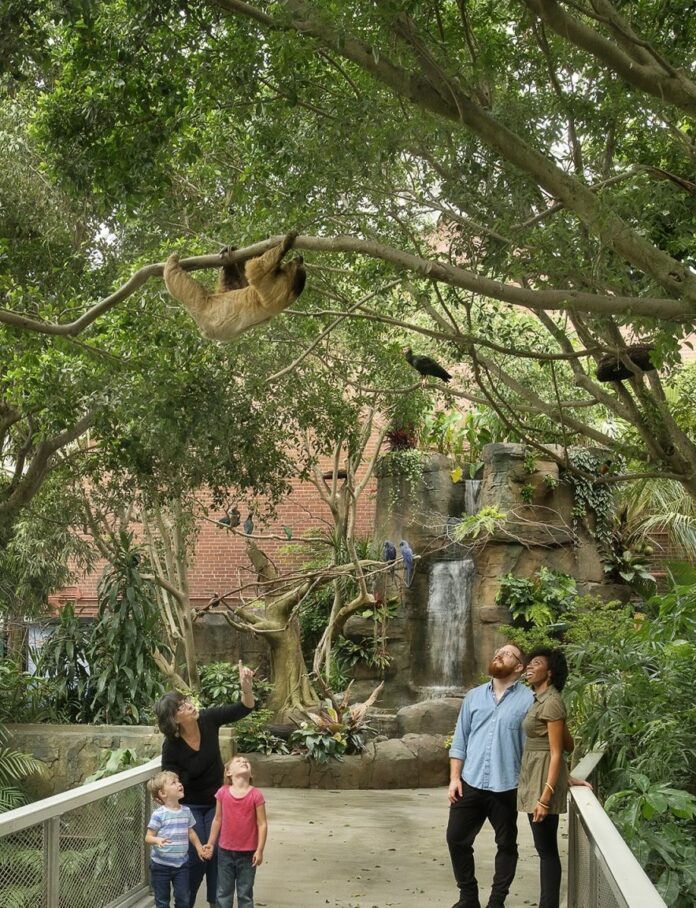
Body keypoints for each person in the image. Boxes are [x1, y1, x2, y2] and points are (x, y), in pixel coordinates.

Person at [155, 661, 255, 908]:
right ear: (174, 719)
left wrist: (246, 687)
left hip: (218, 804)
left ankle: (217, 903)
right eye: (181, 706)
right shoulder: (172, 746)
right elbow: (170, 780)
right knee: (198, 857)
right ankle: (184, 902)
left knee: (218, 855)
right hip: (189, 806)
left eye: (186, 701)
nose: (189, 705)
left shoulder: (208, 719)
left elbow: (244, 708)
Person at [446, 643, 534, 908]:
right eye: (497, 651)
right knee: (456, 838)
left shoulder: (529, 700)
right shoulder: (473, 696)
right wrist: (454, 778)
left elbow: (538, 746)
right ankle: (468, 897)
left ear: (519, 666)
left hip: (506, 784)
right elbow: (460, 740)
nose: (499, 654)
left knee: (506, 844)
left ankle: (497, 901)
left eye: (507, 653)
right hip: (470, 781)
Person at [517, 646, 590, 908]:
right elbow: (568, 743)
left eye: (535, 663)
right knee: (544, 848)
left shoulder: (551, 701)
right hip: (536, 772)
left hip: (542, 780)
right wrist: (566, 778)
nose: (529, 666)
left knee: (547, 850)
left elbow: (557, 753)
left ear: (549, 672)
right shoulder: (542, 699)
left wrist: (546, 797)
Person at [207, 755, 268, 908]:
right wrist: (210, 843)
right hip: (225, 852)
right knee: (223, 893)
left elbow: (262, 824)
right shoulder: (222, 792)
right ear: (228, 772)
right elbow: (217, 819)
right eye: (238, 761)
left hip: (248, 853)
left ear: (251, 773)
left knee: (245, 894)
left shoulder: (256, 794)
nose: (244, 762)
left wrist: (259, 850)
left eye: (246, 761)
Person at [145, 770, 208, 908]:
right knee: (162, 901)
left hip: (181, 865)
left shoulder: (186, 811)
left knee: (184, 899)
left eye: (178, 781)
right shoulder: (159, 814)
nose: (180, 784)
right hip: (160, 865)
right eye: (174, 783)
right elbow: (148, 837)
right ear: (163, 794)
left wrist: (199, 848)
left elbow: (191, 832)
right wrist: (157, 840)